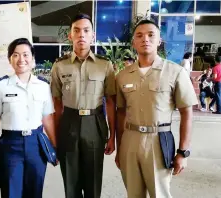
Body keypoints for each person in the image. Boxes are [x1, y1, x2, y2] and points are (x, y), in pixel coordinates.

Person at [115, 19, 198, 198]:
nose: (145, 39)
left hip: (159, 141)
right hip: (130, 139)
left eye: (151, 35)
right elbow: (120, 112)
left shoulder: (175, 72)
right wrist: (119, 147)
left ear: (159, 40)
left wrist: (183, 152)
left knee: (159, 194)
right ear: (133, 43)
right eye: (140, 35)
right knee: (133, 194)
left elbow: (186, 112)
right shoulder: (122, 76)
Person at [50, 13, 116, 198]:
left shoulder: (104, 65)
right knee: (71, 180)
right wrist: (55, 137)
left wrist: (112, 136)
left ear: (92, 35)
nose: (81, 35)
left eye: (86, 31)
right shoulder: (59, 66)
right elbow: (56, 104)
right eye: (76, 31)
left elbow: (110, 102)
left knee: (93, 179)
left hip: (95, 123)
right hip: (68, 122)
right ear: (70, 35)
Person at [0, 38, 57, 198]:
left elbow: (48, 119)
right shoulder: (0, 87)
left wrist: (55, 146)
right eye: (16, 55)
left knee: (35, 191)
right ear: (10, 59)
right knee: (11, 192)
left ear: (33, 59)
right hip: (10, 145)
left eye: (25, 55)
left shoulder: (43, 86)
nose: (21, 59)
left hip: (36, 144)